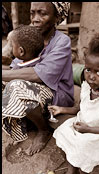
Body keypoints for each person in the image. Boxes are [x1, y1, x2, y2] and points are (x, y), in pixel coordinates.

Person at [48, 33, 99, 174]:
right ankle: (71, 170)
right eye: (88, 69)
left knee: (83, 146)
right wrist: (61, 109)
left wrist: (88, 129)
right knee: (63, 133)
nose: (91, 76)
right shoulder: (86, 87)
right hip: (83, 125)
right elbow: (80, 108)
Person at [2, 2, 74, 156]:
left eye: (42, 13)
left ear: (58, 17)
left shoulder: (62, 42)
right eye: (32, 13)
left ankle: (43, 130)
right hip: (35, 90)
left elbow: (39, 75)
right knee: (10, 84)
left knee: (16, 87)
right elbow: (15, 66)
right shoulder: (29, 36)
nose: (35, 19)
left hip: (58, 94)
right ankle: (25, 121)